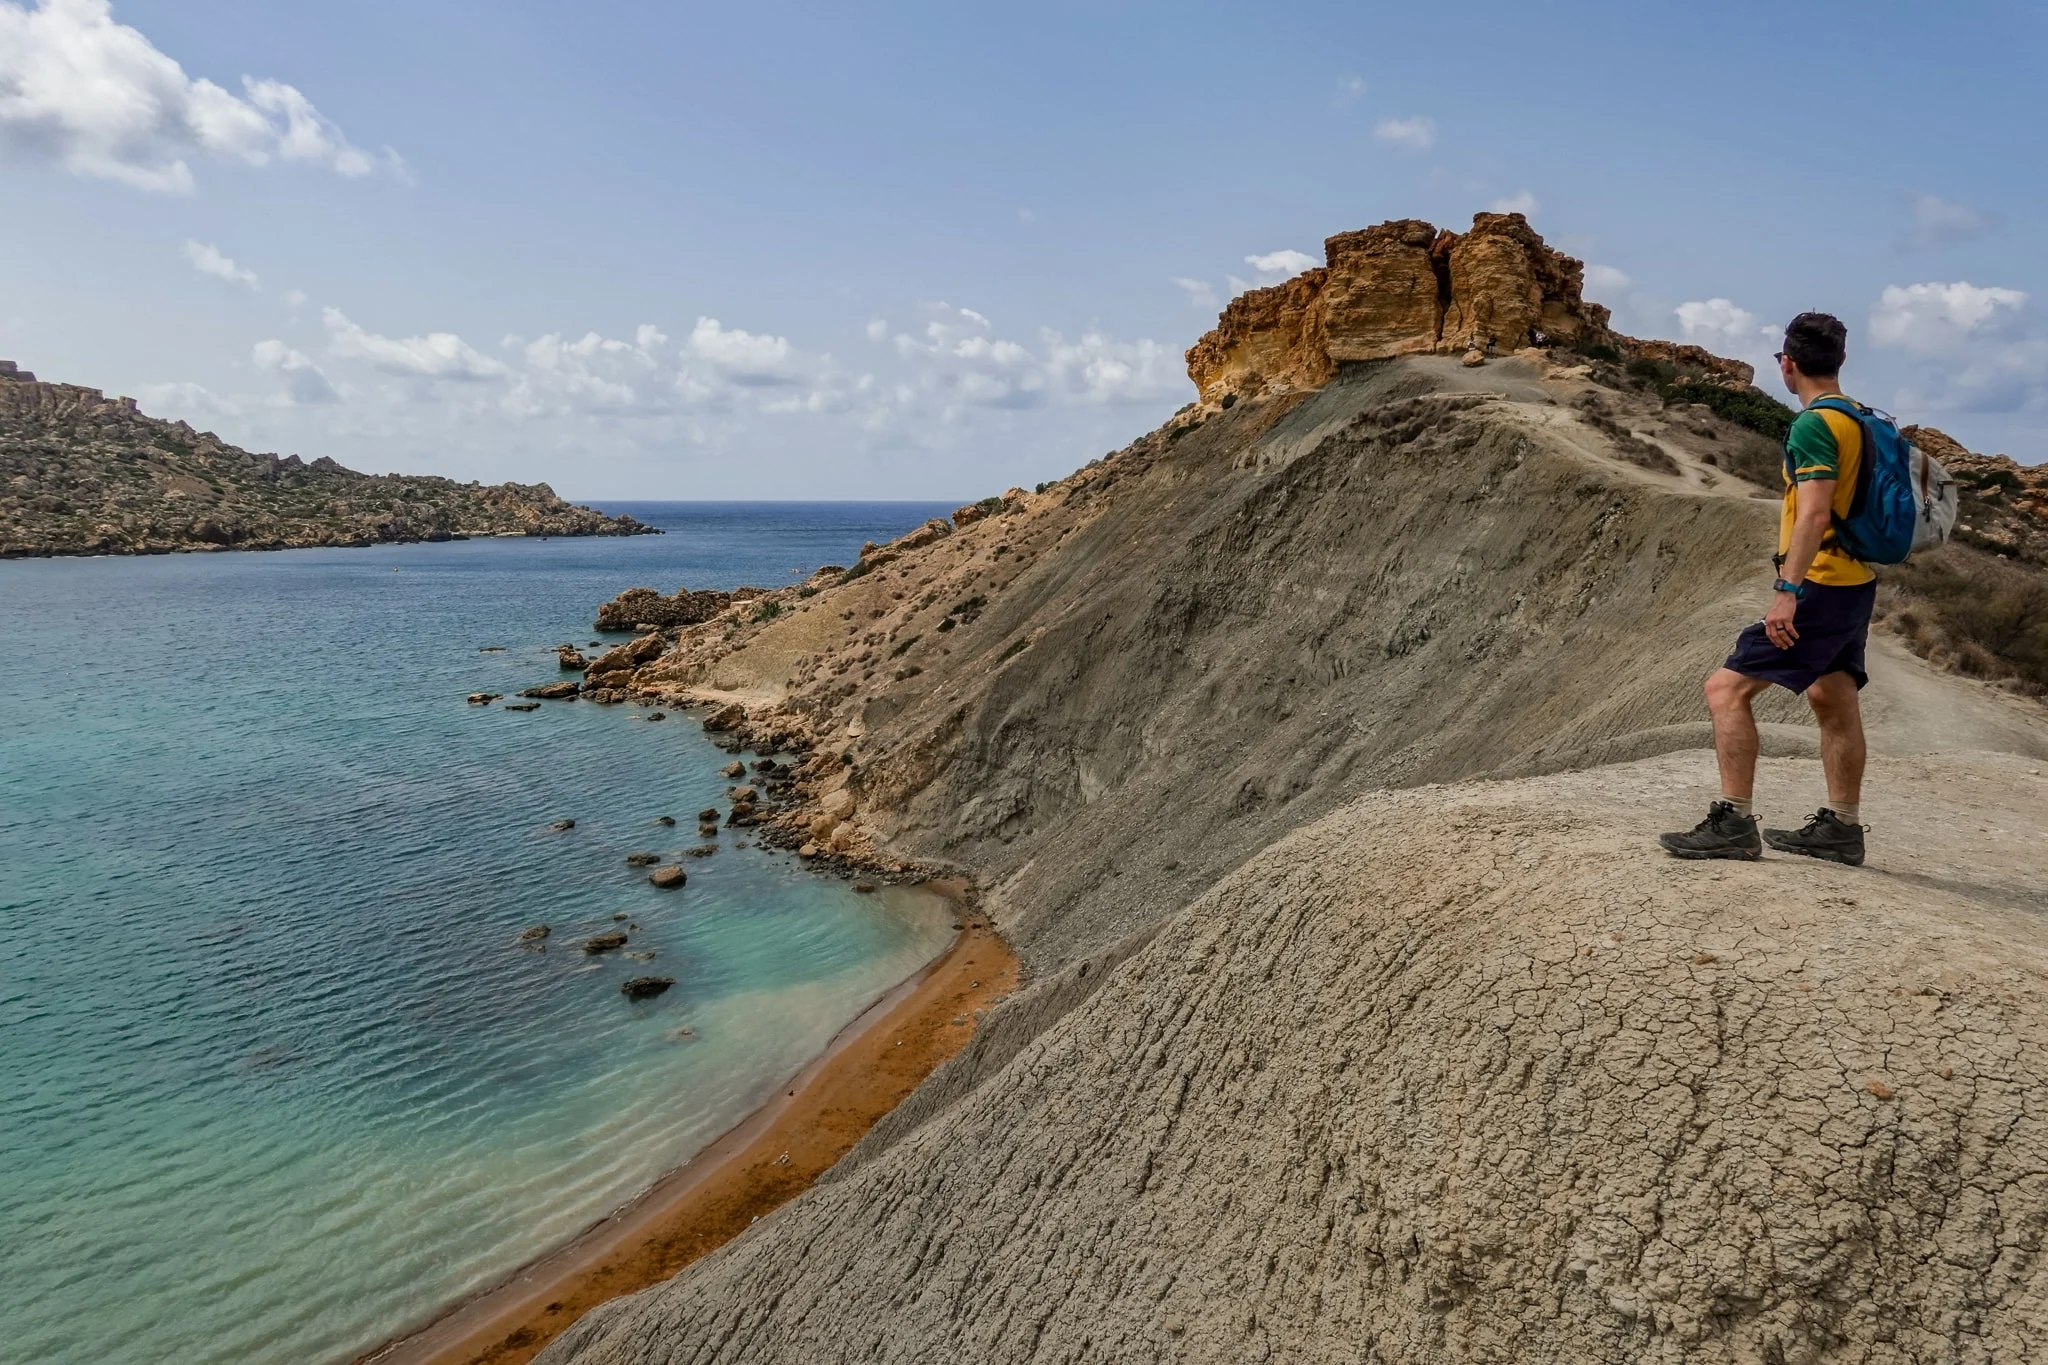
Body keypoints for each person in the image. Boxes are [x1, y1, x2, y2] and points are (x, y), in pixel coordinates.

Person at [1659, 312, 1873, 866]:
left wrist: (1787, 591)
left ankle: (1732, 821)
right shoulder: (1862, 418)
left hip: (1820, 583)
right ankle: (1843, 829)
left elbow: (1815, 512)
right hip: (1856, 583)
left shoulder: (1814, 424)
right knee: (1834, 695)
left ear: (1788, 364)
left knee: (1725, 691)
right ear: (1841, 361)